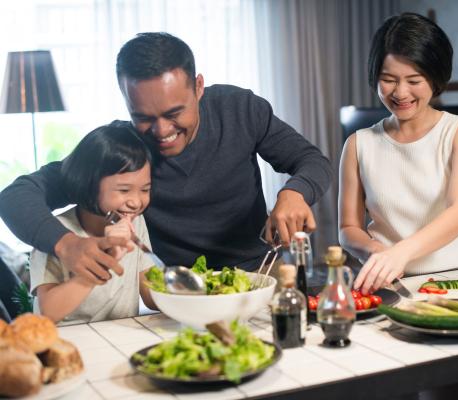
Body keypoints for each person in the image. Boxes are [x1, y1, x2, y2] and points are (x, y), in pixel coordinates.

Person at [0, 32, 332, 287]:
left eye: (174, 113)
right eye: (142, 116)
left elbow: (311, 160)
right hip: (180, 289)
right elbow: (15, 196)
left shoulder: (240, 109)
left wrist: (296, 192)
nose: (160, 131)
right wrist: (65, 244)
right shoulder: (121, 150)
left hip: (260, 273)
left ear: (198, 87)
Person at [338, 13, 458, 296]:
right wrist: (376, 251)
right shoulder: (359, 144)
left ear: (435, 76)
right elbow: (348, 227)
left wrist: (399, 253)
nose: (400, 92)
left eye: (414, 80)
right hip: (389, 284)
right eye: (388, 80)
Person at [29, 121, 157, 324]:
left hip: (121, 338)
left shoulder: (135, 222)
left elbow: (149, 293)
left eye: (145, 189)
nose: (136, 202)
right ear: (89, 184)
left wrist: (188, 294)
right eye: (124, 190)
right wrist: (105, 263)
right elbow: (49, 312)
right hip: (68, 344)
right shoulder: (55, 233)